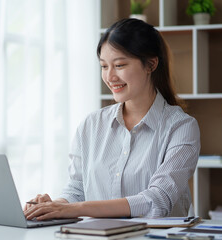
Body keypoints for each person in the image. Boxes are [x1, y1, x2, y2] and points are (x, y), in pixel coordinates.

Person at [24, 18, 200, 221]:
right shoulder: (91, 125)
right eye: (104, 66)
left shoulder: (181, 127)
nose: (110, 76)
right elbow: (77, 189)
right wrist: (54, 206)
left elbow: (157, 200)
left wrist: (75, 208)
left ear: (151, 64)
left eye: (119, 65)